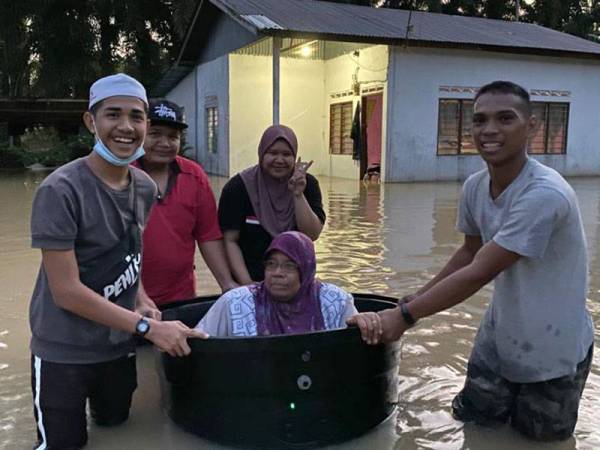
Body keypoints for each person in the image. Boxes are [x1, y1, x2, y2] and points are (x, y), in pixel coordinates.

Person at [349, 81, 594, 441]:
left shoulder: (545, 194)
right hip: (500, 333)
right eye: (480, 120)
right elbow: (468, 253)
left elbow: (481, 271)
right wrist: (413, 300)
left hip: (552, 345)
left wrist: (403, 317)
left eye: (505, 119)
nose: (490, 130)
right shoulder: (476, 187)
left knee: (537, 441)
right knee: (475, 424)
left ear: (532, 126)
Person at [29, 74, 206, 450]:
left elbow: (130, 250)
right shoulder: (59, 191)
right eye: (113, 115)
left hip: (116, 346)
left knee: (116, 427)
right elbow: (66, 293)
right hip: (64, 351)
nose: (126, 127)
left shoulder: (143, 187)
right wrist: (147, 327)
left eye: (136, 117)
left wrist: (140, 296)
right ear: (91, 122)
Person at [133, 99, 237, 306]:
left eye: (173, 137)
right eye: (155, 134)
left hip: (180, 297)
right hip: (127, 300)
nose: (164, 143)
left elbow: (208, 236)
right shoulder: (121, 175)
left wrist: (227, 284)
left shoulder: (194, 176)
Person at [218, 124, 326, 284]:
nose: (279, 160)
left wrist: (297, 194)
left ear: (294, 157)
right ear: (262, 153)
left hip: (297, 284)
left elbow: (311, 235)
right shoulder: (239, 187)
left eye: (287, 154)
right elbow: (230, 240)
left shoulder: (307, 184)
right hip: (250, 280)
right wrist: (248, 286)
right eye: (273, 153)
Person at [195, 231, 357, 336]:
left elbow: (359, 337)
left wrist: (367, 321)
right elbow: (197, 338)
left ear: (306, 271)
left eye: (289, 266)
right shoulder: (235, 302)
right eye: (271, 264)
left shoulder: (335, 301)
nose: (277, 273)